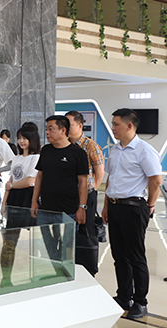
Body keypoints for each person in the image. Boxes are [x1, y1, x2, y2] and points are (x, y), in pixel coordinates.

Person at [102, 108, 161, 320]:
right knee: (119, 256)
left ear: (129, 126)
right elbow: (111, 179)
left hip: (134, 207)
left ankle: (140, 302)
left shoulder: (144, 150)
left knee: (136, 257)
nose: (113, 128)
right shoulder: (116, 150)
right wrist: (106, 206)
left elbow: (156, 180)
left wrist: (150, 205)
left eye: (116, 124)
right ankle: (123, 296)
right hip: (115, 207)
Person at [31, 115, 88, 276]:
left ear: (63, 130)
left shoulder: (78, 153)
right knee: (46, 246)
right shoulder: (46, 150)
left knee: (66, 249)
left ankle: (65, 276)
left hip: (67, 211)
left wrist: (82, 207)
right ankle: (54, 273)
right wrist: (34, 201)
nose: (47, 132)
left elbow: (83, 182)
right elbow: (40, 176)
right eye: (46, 129)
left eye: (51, 129)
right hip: (45, 209)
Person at [0, 123, 40, 285]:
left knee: (34, 240)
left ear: (32, 139)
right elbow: (9, 182)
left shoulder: (35, 157)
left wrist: (11, 186)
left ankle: (35, 274)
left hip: (28, 197)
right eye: (19, 138)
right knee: (10, 240)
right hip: (14, 197)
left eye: (25, 138)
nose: (22, 141)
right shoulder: (16, 158)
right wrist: (4, 202)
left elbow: (30, 181)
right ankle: (6, 277)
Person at [65, 110, 104, 277]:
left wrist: (91, 189)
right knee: (68, 232)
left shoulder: (90, 146)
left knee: (85, 231)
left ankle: (87, 269)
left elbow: (99, 171)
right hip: (68, 195)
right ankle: (69, 265)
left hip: (86, 194)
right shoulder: (64, 144)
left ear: (80, 125)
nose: (66, 128)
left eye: (70, 124)